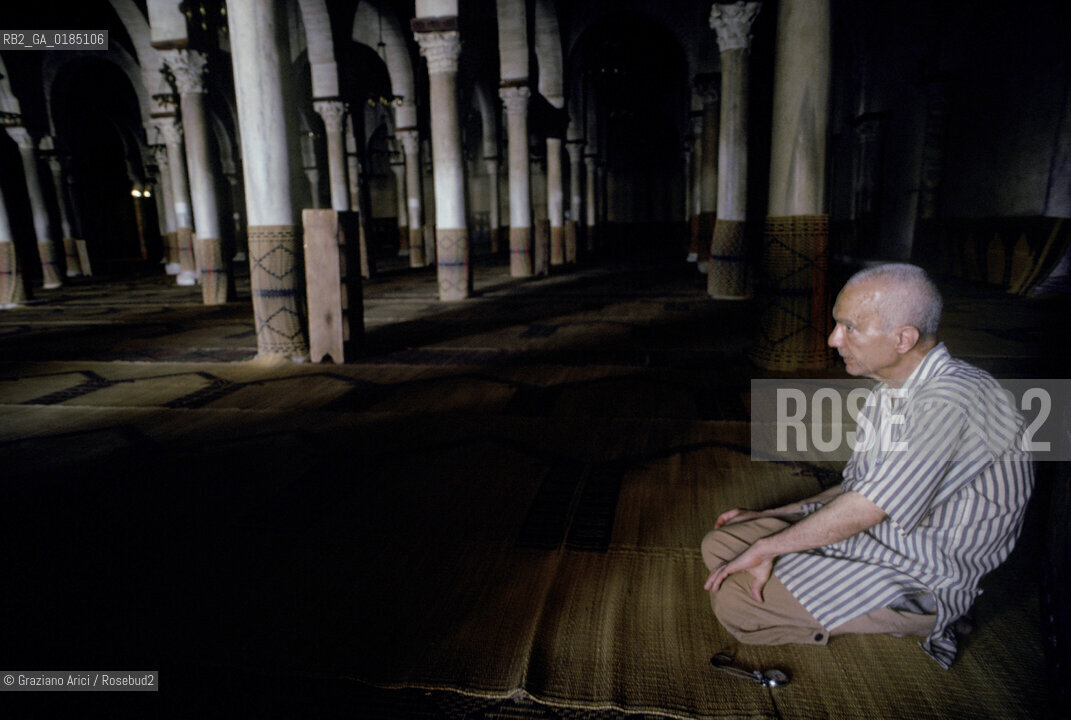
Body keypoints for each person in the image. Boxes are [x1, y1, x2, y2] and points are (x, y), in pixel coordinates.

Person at [702, 263, 1034, 668]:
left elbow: (866, 507)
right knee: (722, 541)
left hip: (923, 573)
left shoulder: (949, 402)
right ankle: (809, 581)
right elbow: (858, 487)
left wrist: (769, 544)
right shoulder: (894, 389)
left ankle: (922, 618)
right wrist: (772, 515)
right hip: (878, 538)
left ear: (903, 338)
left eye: (849, 328)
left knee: (736, 603)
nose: (833, 338)